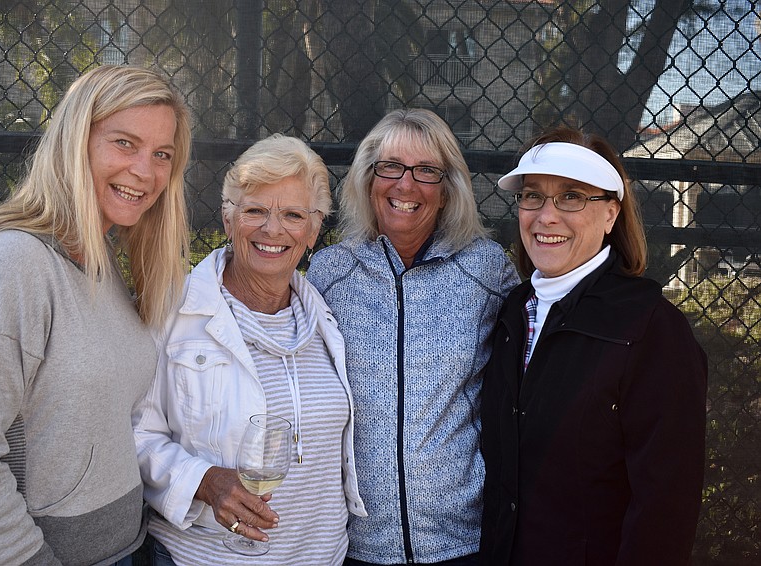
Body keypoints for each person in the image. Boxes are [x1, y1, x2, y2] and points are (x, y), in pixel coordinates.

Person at [0, 65, 192, 565]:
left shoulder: (98, 260)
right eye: (124, 143)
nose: (145, 171)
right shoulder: (6, 265)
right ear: (76, 141)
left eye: (162, 155)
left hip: (120, 550)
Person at [132, 133, 367, 566]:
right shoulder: (173, 313)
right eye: (255, 210)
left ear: (313, 232)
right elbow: (134, 434)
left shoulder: (326, 319)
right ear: (228, 219)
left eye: (293, 215)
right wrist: (202, 480)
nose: (272, 229)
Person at [479, 126, 708, 565]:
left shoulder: (654, 331)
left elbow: (665, 507)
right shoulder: (512, 313)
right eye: (532, 196)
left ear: (610, 215)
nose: (546, 215)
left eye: (571, 197)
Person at [306, 108, 519, 565]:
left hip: (464, 542)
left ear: (447, 190)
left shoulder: (487, 269)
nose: (406, 185)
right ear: (368, 179)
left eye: (427, 171)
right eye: (391, 167)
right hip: (356, 545)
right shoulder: (328, 272)